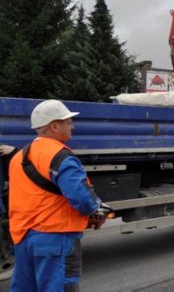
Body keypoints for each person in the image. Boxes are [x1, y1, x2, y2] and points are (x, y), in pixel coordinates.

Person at [9, 99, 108, 292]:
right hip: (55, 238)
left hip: (23, 238)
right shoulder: (60, 156)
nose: (72, 126)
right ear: (54, 126)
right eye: (68, 122)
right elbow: (82, 200)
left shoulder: (18, 157)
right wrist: (97, 209)